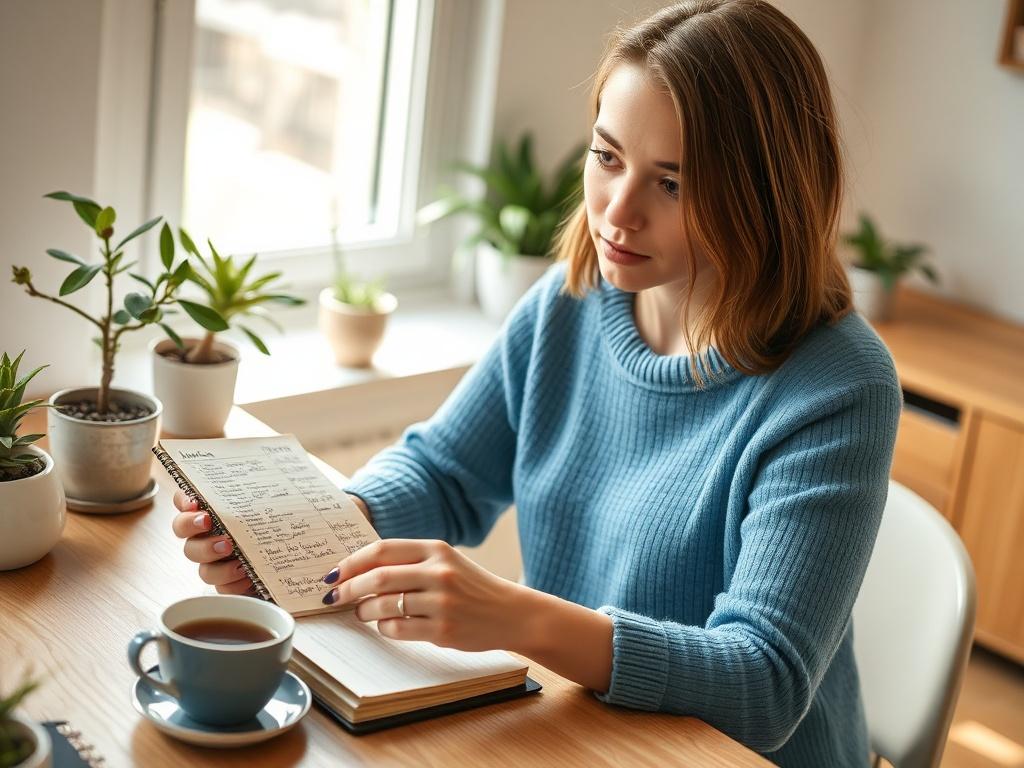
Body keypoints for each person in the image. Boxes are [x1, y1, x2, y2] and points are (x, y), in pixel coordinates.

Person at [172, 1, 901, 764]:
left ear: (766, 192)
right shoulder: (573, 302)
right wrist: (322, 534)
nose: (618, 212)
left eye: (673, 184)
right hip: (576, 728)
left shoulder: (839, 385)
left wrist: (518, 619)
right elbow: (446, 472)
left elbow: (765, 685)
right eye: (608, 156)